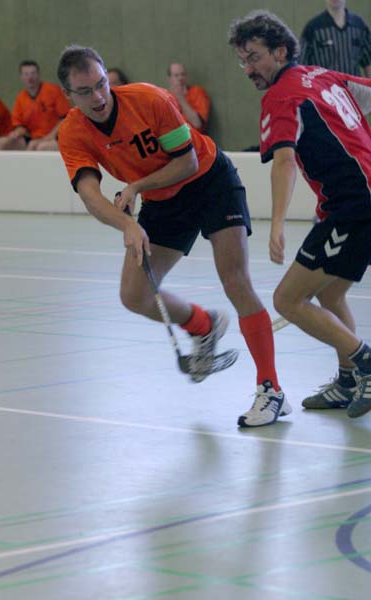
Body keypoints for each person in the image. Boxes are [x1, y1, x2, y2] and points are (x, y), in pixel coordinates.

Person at [56, 44, 289, 428]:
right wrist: (127, 224)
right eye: (85, 91)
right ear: (68, 95)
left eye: (101, 85)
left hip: (210, 181)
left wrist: (135, 187)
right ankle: (203, 326)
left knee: (236, 281)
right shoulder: (72, 132)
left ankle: (271, 388)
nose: (98, 97)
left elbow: (187, 161)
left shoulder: (151, 99)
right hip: (164, 202)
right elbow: (90, 195)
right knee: (134, 295)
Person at [228, 10, 371, 419]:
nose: (248, 69)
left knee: (287, 299)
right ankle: (349, 381)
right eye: (242, 60)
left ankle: (365, 362)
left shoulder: (281, 96)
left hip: (353, 207)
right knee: (330, 294)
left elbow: (285, 161)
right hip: (354, 203)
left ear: (281, 52)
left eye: (254, 57)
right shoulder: (322, 77)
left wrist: (276, 225)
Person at [0, 60, 70, 151]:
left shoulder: (53, 90)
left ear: (39, 74)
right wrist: (18, 132)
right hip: (32, 138)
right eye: (26, 74)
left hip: (54, 137)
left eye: (33, 73)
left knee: (40, 147)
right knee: (1, 142)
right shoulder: (20, 98)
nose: (30, 77)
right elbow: (18, 124)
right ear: (21, 77)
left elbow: (65, 118)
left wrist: (48, 137)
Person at [299, 0, 371, 77]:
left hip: (352, 84)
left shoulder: (359, 26)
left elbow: (368, 62)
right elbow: (301, 66)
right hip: (325, 83)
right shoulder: (313, 28)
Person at [167, 62, 211, 133]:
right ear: (170, 79)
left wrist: (181, 98)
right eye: (176, 75)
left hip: (194, 137)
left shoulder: (197, 92)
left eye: (183, 74)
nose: (180, 78)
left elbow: (197, 124)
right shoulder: (166, 98)